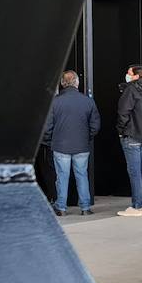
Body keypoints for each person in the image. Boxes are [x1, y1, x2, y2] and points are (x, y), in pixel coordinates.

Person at [42, 70, 99, 216]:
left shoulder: (54, 101)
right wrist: (87, 137)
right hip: (81, 145)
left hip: (60, 145)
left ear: (62, 84)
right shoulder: (88, 101)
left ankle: (61, 207)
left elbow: (47, 126)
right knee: (82, 175)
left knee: (61, 176)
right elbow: (95, 125)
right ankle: (85, 208)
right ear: (77, 83)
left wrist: (50, 140)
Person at [115, 64, 142, 217]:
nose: (126, 75)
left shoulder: (131, 90)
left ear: (135, 76)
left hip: (132, 135)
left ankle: (136, 207)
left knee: (135, 172)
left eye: (129, 73)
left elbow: (123, 112)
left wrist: (121, 131)